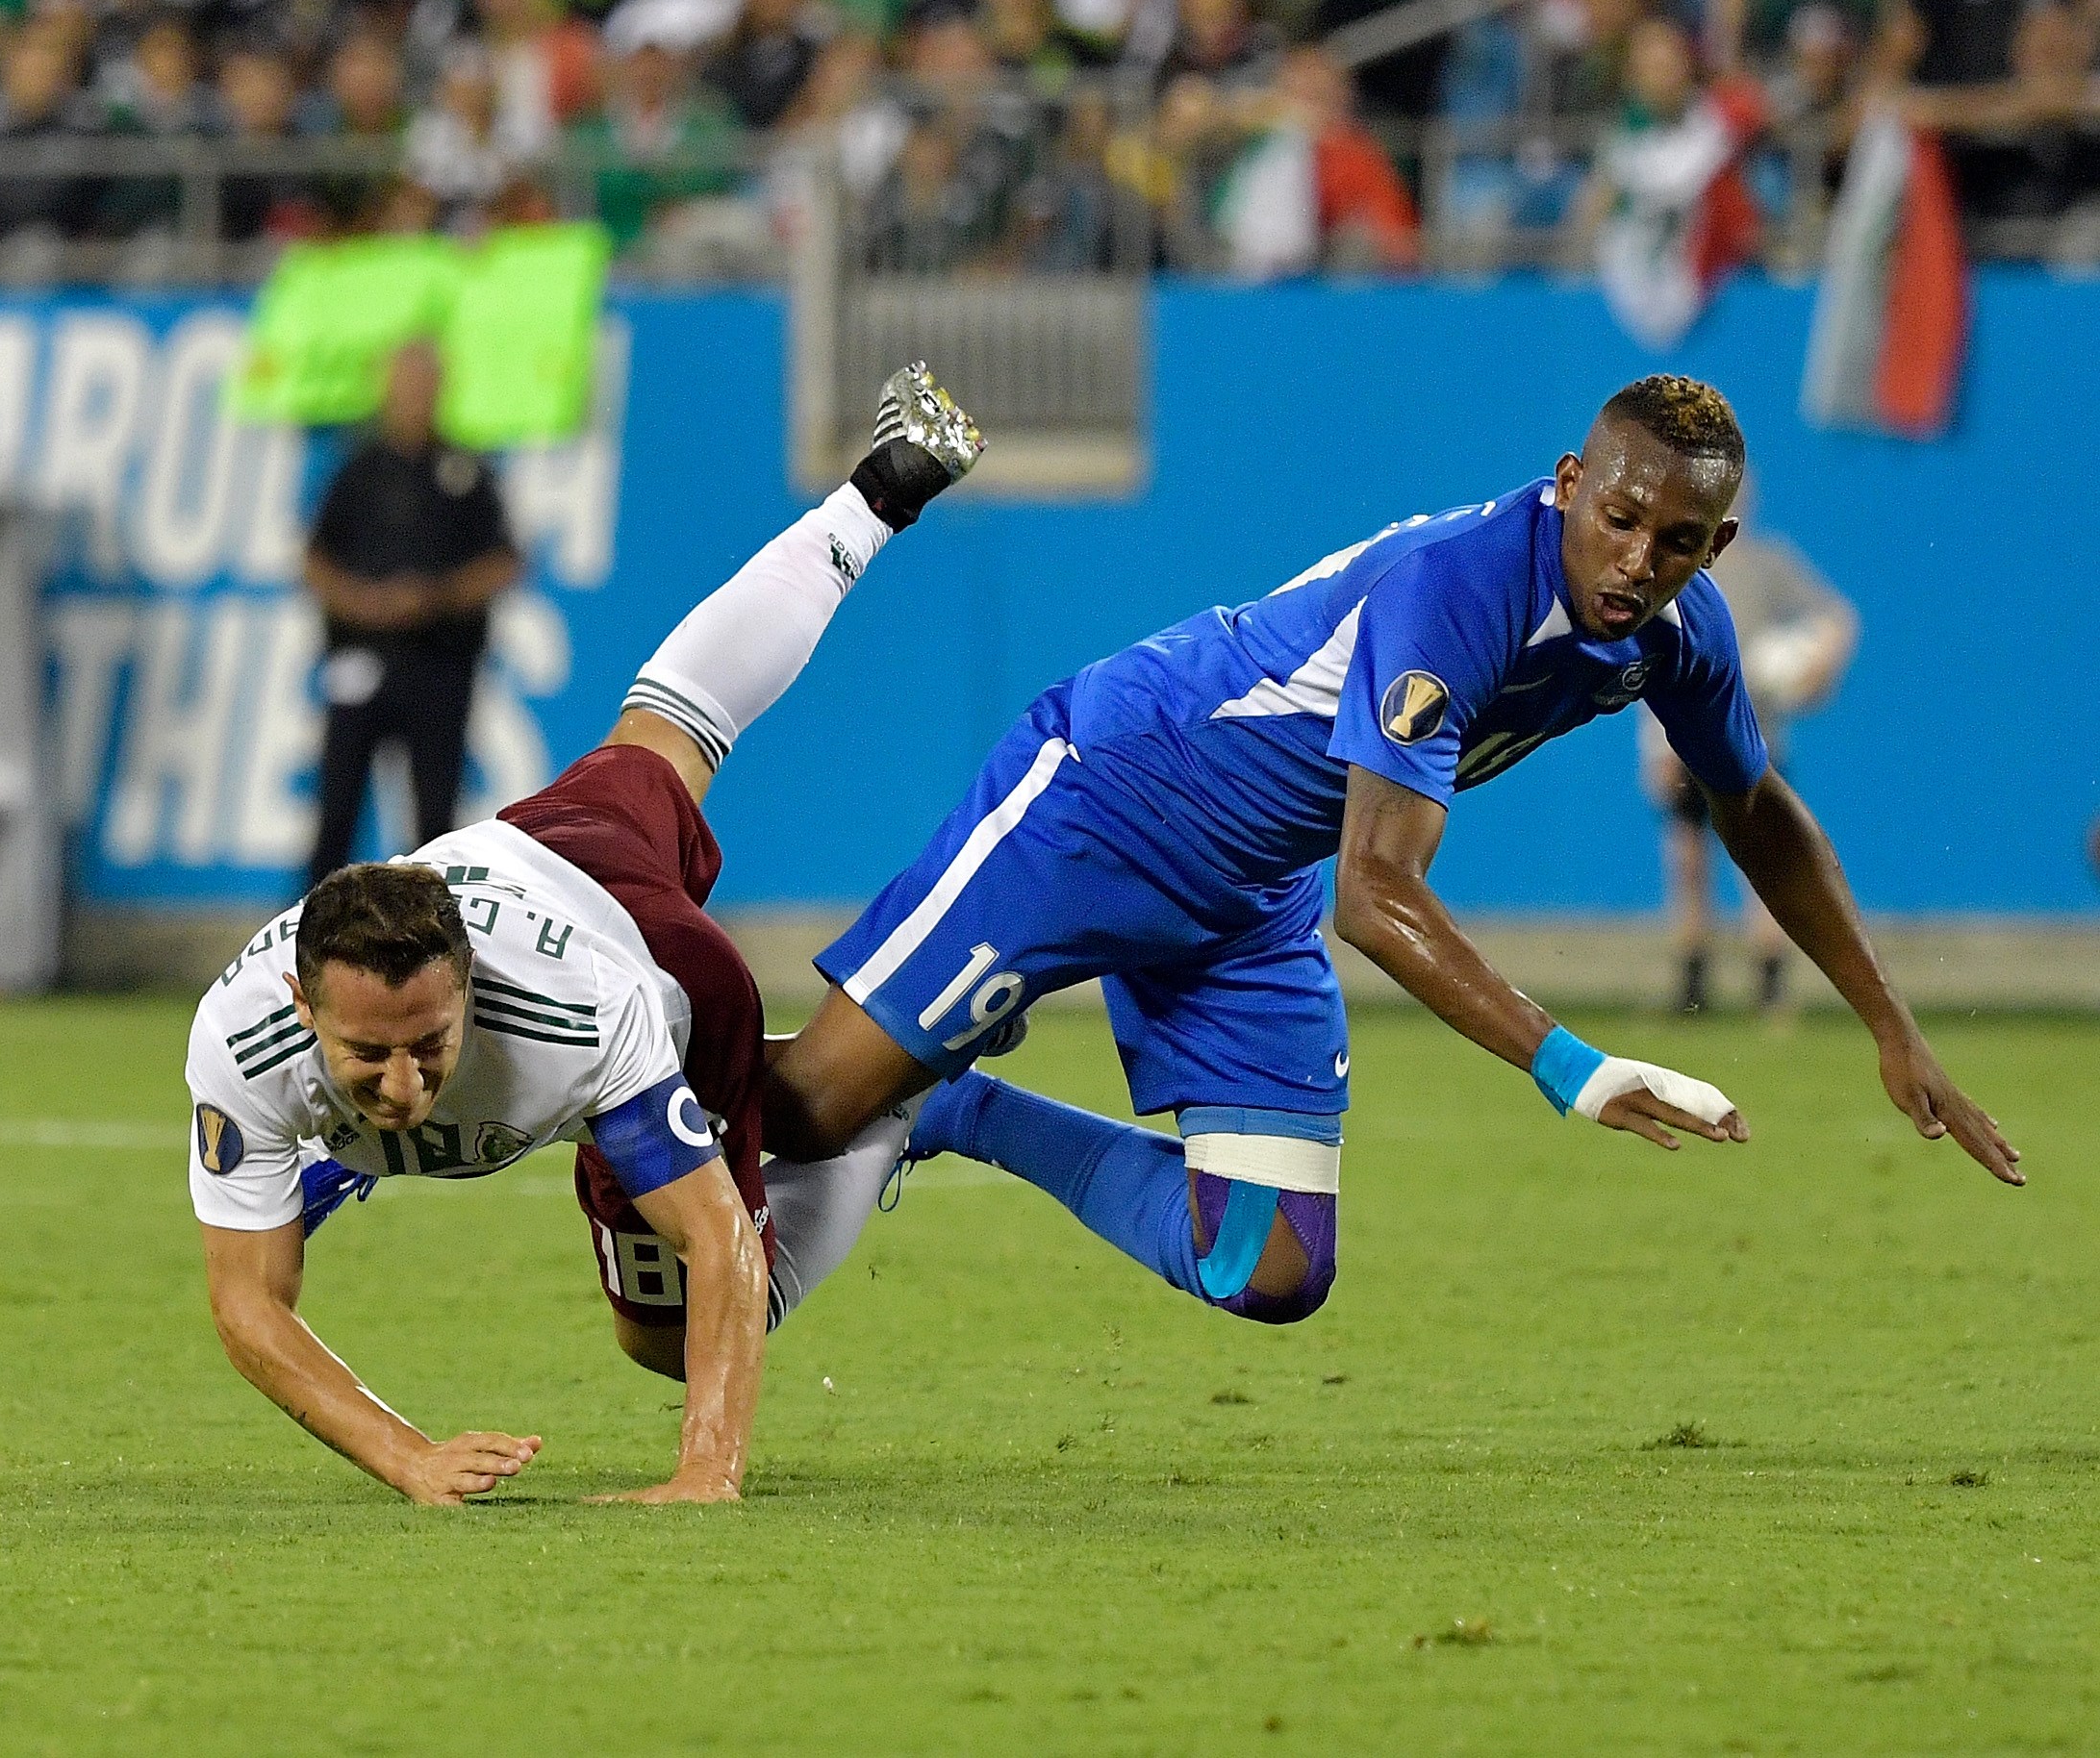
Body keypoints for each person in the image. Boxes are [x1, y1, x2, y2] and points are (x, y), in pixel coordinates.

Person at [749, 376, 2021, 1344]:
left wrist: (1890, 1021)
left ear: (1718, 546)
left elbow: (1757, 809)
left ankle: (959, 1104)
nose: (1641, 561)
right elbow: (1378, 894)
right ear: (1571, 481)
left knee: (1267, 1265)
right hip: (1105, 798)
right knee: (805, 1109)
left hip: (1247, 891)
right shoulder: (1460, 591)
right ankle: (615, 1048)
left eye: (1680, 541)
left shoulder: (1678, 633)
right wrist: (1565, 1064)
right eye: (1622, 518)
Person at [185, 364, 984, 1506]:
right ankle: (877, 496)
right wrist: (408, 1457)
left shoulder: (576, 1028)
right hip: (539, 847)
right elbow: (246, 1304)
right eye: (371, 1055)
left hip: (659, 970)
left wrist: (705, 1471)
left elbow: (716, 1241)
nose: (406, 1082)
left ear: (470, 986)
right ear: (304, 1007)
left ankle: (893, 1104)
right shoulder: (240, 1039)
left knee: (673, 1331)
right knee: (673, 719)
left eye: (430, 1046)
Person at [301, 341, 522, 889]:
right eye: (405, 384)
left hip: (437, 666)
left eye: (424, 384)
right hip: (360, 658)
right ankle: (309, 942)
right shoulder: (360, 470)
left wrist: (433, 598)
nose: (414, 398)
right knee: (336, 813)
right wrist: (360, 602)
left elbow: (503, 562)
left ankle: (430, 945)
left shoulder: (464, 472)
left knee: (434, 822)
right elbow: (314, 558)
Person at [1641, 501, 1859, 1015]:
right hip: (1682, 737)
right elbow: (1651, 656)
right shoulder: (1674, 565)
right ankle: (1692, 988)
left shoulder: (1768, 562)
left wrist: (1818, 669)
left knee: (1762, 865)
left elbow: (1837, 617)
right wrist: (1654, 745)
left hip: (1753, 738)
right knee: (1689, 863)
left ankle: (1771, 987)